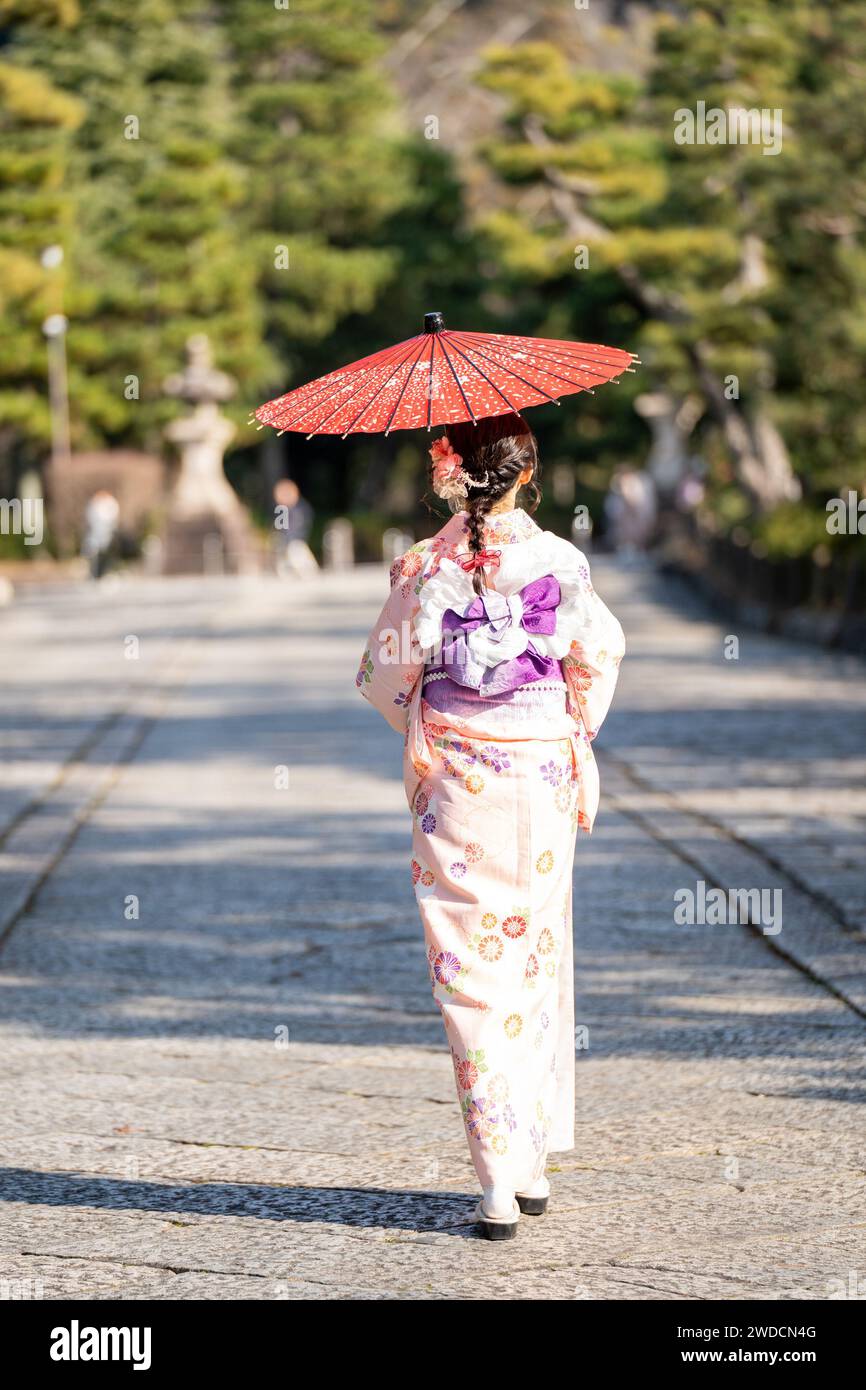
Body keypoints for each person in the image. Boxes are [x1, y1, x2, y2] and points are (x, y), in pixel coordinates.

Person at [356, 413, 625, 1240]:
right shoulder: (561, 562)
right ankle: (533, 1161)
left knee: (468, 971)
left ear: (451, 475)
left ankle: (498, 1183)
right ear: (527, 473)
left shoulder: (421, 566)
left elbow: (382, 676)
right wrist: (563, 717)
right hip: (540, 771)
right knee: (536, 957)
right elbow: (599, 656)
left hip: (458, 779)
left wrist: (438, 692)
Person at [273, 478, 318, 577]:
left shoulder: (300, 509)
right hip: (287, 544)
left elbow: (298, 529)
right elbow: (280, 528)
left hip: (296, 543)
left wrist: (289, 541)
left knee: (297, 554)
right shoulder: (282, 510)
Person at [82, 489, 119, 580]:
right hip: (96, 534)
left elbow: (111, 517)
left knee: (104, 554)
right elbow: (91, 518)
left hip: (106, 533)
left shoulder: (110, 503)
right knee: (93, 554)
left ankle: (103, 573)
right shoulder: (94, 504)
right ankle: (94, 574)